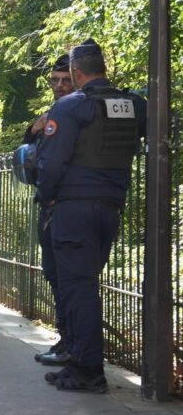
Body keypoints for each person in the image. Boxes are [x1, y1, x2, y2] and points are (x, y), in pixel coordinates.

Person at [37, 39, 145, 393]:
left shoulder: (70, 108)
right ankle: (84, 363)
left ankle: (87, 370)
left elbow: (52, 162)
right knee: (86, 286)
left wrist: (47, 198)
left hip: (73, 210)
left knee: (77, 289)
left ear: (76, 72)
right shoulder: (135, 105)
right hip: (111, 207)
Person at [17, 54, 76, 366]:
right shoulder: (52, 113)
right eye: (55, 80)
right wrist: (33, 128)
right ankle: (67, 339)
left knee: (69, 278)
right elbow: (32, 151)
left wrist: (48, 194)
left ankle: (73, 344)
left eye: (66, 79)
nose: (59, 86)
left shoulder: (76, 113)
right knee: (55, 276)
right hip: (53, 205)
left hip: (63, 206)